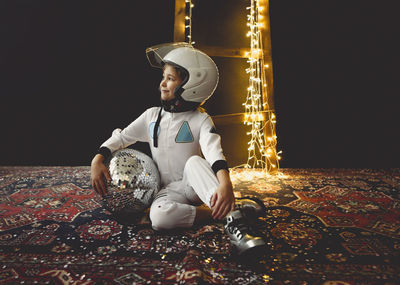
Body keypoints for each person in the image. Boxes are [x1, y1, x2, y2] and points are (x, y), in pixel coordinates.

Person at [90, 42, 266, 256]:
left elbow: (213, 153)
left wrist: (225, 182)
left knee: (193, 162)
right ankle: (226, 211)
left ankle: (237, 228)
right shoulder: (151, 116)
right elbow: (122, 137)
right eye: (163, 77)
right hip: (168, 191)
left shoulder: (201, 119)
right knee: (159, 219)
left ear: (192, 85)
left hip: (194, 184)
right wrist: (98, 159)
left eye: (171, 79)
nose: (163, 83)